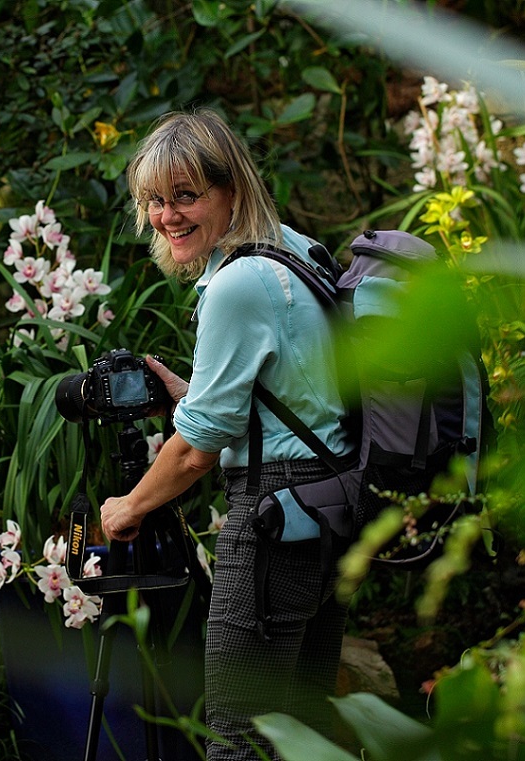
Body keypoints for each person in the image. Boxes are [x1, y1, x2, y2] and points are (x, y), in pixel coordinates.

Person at [99, 108, 354, 761]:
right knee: (301, 730)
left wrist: (126, 507)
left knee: (236, 739)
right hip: (327, 512)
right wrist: (194, 396)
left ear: (231, 191)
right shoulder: (295, 250)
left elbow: (191, 454)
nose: (166, 215)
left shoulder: (237, 282)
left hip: (272, 518)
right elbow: (303, 393)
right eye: (153, 200)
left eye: (185, 195)